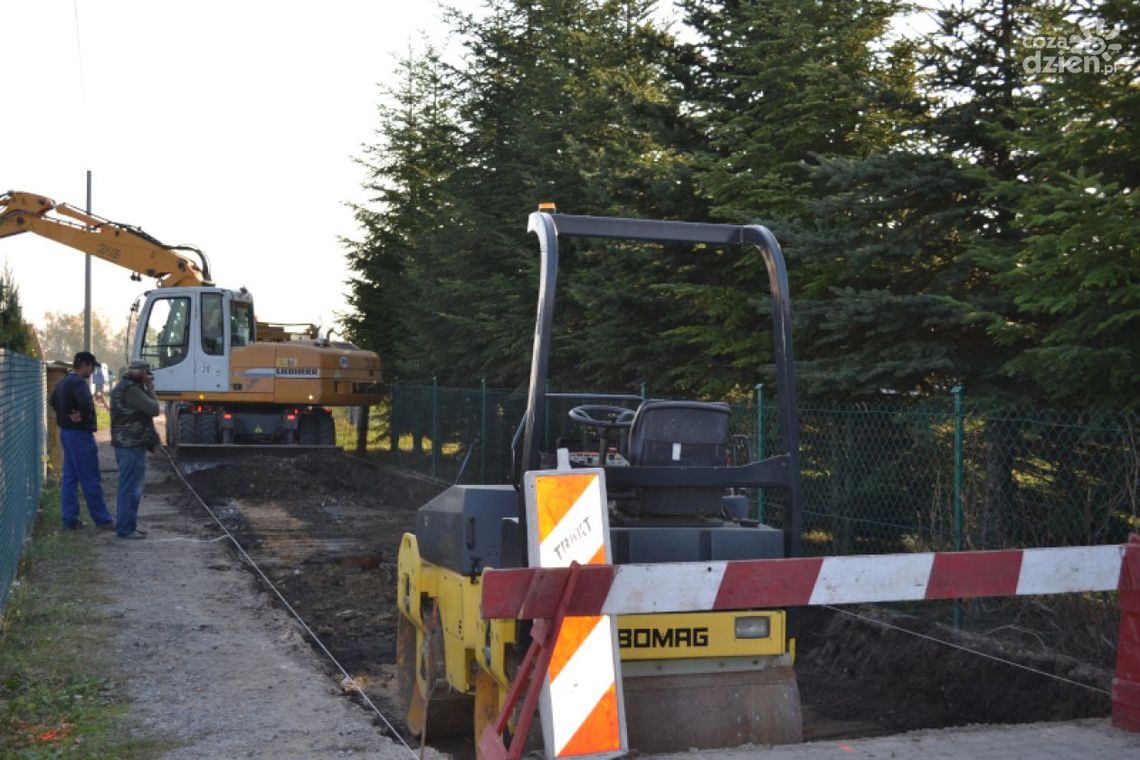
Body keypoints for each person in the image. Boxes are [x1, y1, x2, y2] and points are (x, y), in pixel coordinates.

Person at [49, 351, 115, 530]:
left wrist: (65, 415)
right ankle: (102, 519)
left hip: (66, 433)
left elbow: (52, 401)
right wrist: (80, 415)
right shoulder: (78, 382)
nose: (92, 371)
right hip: (80, 435)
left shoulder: (63, 381)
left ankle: (69, 520)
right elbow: (86, 403)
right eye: (92, 367)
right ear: (85, 365)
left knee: (70, 479)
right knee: (90, 477)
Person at [110, 360, 161, 539]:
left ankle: (128, 525)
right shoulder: (132, 390)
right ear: (142, 373)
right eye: (147, 373)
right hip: (130, 445)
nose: (149, 377)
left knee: (130, 487)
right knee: (130, 488)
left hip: (128, 443)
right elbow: (154, 409)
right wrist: (151, 390)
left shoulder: (127, 386)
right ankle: (125, 528)